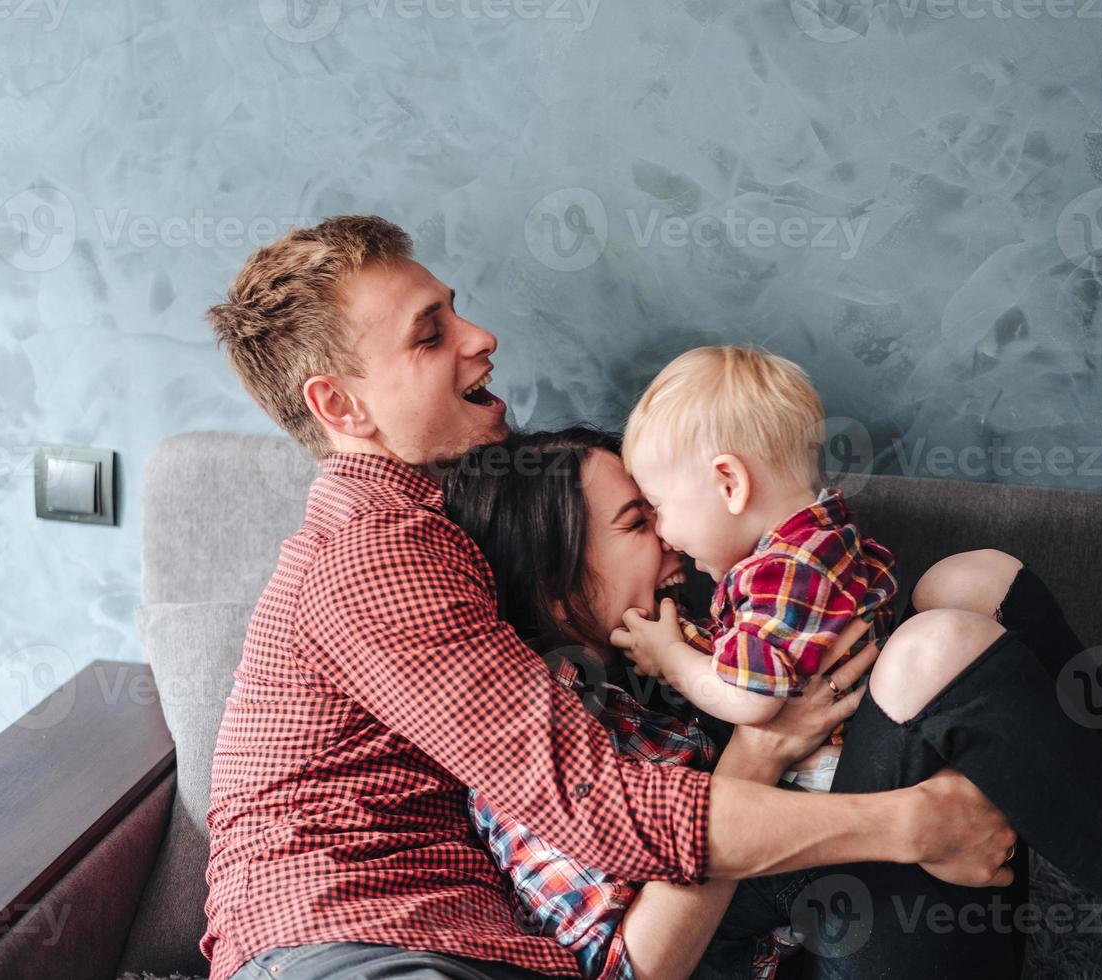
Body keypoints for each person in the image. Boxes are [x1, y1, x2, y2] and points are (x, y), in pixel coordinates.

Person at [202, 216, 1014, 980]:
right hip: (338, 947)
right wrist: (914, 824)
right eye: (429, 335)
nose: (482, 339)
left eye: (456, 313)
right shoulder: (376, 556)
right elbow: (601, 808)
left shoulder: (462, 536)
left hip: (463, 943)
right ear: (339, 406)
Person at [443, 426, 1102, 980]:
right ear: (559, 586)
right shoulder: (528, 741)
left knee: (977, 582)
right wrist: (765, 757)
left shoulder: (666, 649)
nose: (675, 547)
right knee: (937, 649)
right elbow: (630, 970)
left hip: (887, 901)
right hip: (818, 953)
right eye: (637, 525)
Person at [614, 345, 898, 794]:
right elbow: (754, 646)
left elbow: (751, 701)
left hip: (829, 776)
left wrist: (670, 656)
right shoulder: (820, 540)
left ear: (730, 483)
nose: (662, 533)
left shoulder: (784, 569)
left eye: (657, 506)